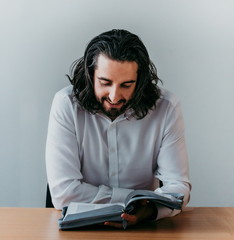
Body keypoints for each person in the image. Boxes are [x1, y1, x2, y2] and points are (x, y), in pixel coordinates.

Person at [46, 29, 191, 228]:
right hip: (78, 228)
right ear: (90, 75)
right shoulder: (66, 104)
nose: (114, 97)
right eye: (105, 83)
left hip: (145, 228)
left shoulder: (166, 107)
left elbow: (178, 188)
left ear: (139, 81)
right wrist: (134, 200)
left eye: (126, 85)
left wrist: (148, 211)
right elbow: (64, 193)